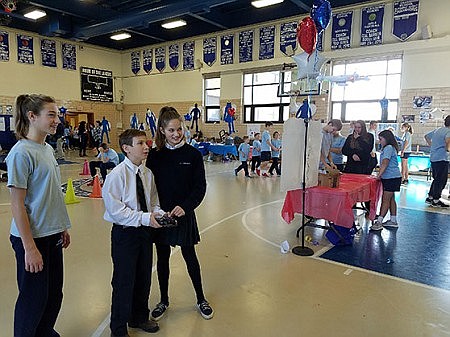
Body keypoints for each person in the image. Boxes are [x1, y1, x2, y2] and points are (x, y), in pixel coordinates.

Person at [6, 94, 71, 337]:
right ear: (32, 117)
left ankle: (44, 331)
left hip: (51, 233)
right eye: (51, 114)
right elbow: (17, 205)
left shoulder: (46, 149)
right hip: (32, 238)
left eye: (57, 114)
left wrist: (61, 226)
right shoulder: (21, 153)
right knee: (33, 298)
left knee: (54, 293)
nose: (57, 120)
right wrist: (29, 248)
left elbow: (49, 195)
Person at [146, 106, 214, 321]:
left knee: (190, 256)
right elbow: (150, 186)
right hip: (162, 215)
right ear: (162, 131)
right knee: (163, 259)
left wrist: (186, 207)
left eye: (179, 129)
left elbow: (199, 187)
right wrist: (156, 210)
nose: (176, 134)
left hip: (184, 214)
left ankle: (201, 298)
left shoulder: (193, 154)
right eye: (171, 130)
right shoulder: (155, 155)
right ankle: (164, 300)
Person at [102, 129, 163, 337]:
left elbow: (153, 201)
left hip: (144, 233)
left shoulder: (147, 173)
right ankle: (118, 328)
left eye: (146, 143)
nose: (146, 147)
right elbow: (117, 211)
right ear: (126, 149)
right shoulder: (117, 175)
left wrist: (160, 214)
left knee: (143, 277)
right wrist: (145, 218)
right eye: (140, 144)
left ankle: (139, 317)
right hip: (125, 234)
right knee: (123, 281)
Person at [370, 130, 402, 231]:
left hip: (391, 177)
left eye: (381, 139)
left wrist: (379, 175)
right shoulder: (389, 148)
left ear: (386, 138)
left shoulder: (388, 148)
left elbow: (385, 163)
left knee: (385, 200)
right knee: (391, 198)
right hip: (393, 177)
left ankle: (379, 221)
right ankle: (393, 220)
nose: (380, 141)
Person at [424, 115, 450, 208]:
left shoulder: (438, 130)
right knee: (441, 180)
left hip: (434, 158)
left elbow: (426, 136)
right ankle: (436, 200)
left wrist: (432, 146)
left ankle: (430, 197)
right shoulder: (448, 132)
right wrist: (448, 149)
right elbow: (448, 143)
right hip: (442, 158)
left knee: (436, 179)